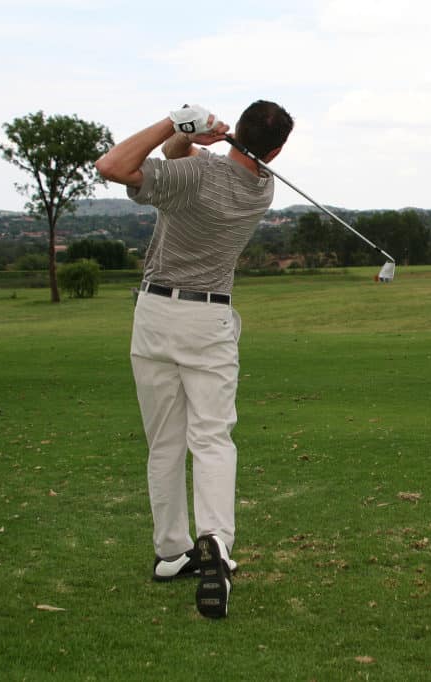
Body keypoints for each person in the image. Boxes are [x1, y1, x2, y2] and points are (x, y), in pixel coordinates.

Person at [95, 101, 293, 618]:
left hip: (155, 313)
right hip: (209, 322)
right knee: (211, 436)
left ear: (236, 130)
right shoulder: (261, 189)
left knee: (165, 441)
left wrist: (175, 123)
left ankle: (170, 550)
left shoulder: (196, 175)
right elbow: (176, 161)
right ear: (274, 151)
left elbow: (113, 166)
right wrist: (188, 140)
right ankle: (215, 544)